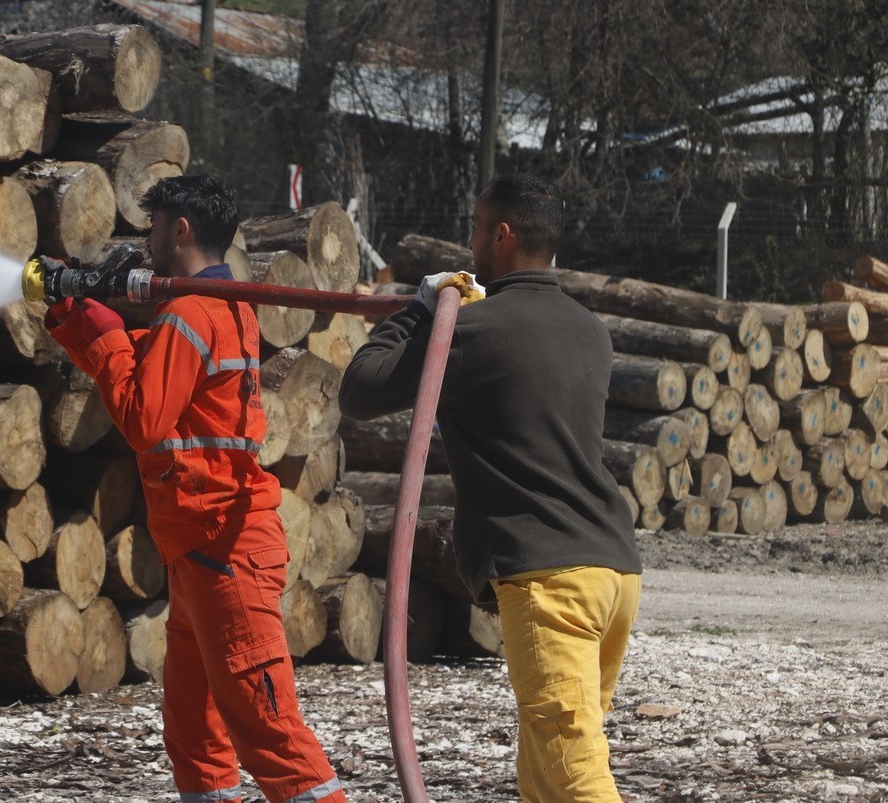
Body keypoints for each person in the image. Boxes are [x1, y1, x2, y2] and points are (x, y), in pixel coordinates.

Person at [339, 172, 642, 802]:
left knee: (574, 775)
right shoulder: (591, 330)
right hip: (613, 573)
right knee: (547, 763)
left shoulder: (471, 332)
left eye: (476, 230)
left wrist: (421, 310)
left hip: (546, 576)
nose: (469, 243)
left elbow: (361, 388)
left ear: (503, 235)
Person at [45, 175, 346, 803]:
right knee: (195, 731)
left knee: (267, 731)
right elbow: (162, 379)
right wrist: (83, 322)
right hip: (202, 546)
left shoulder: (187, 312)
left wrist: (98, 338)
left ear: (179, 229)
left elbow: (145, 419)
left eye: (153, 228)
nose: (147, 241)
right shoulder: (224, 306)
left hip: (223, 547)